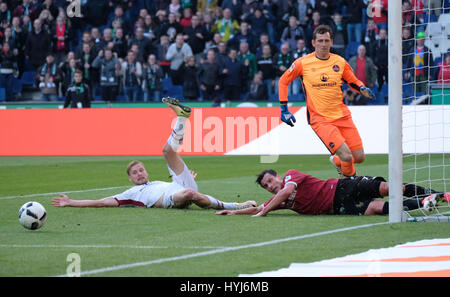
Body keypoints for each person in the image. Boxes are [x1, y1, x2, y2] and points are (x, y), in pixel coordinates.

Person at [52, 96, 257, 211]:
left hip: (178, 185)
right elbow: (102, 202)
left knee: (167, 151)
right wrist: (72, 202)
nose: (140, 173)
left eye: (141, 170)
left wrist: (187, 177)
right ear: (131, 180)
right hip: (173, 197)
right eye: (135, 173)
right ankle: (235, 206)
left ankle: (182, 117)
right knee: (188, 192)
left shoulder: (156, 183)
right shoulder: (131, 194)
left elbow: (175, 182)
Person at [277, 25, 375, 179]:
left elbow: (352, 80)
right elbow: (283, 81)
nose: (323, 44)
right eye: (320, 40)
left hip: (342, 116)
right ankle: (353, 186)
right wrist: (284, 108)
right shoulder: (302, 63)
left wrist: (362, 88)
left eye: (326, 40)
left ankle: (337, 162)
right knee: (347, 156)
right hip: (320, 119)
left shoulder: (339, 61)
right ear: (313, 43)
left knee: (359, 157)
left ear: (331, 42)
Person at [216, 168, 450, 217]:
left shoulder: (290, 177)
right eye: (266, 186)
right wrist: (235, 213)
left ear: (277, 176)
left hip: (341, 186)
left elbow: (281, 195)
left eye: (269, 181)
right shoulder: (279, 200)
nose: (270, 186)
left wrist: (263, 213)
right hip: (337, 207)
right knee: (377, 208)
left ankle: (441, 193)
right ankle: (426, 202)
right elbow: (260, 206)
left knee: (388, 188)